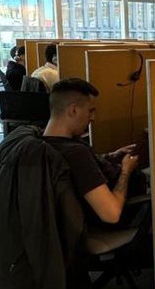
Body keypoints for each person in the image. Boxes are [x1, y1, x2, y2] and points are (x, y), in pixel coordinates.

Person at [41, 78, 140, 227]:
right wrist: (126, 170)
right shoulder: (75, 153)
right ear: (73, 110)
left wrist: (110, 156)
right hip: (124, 213)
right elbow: (112, 214)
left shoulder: (46, 140)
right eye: (90, 111)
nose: (93, 117)